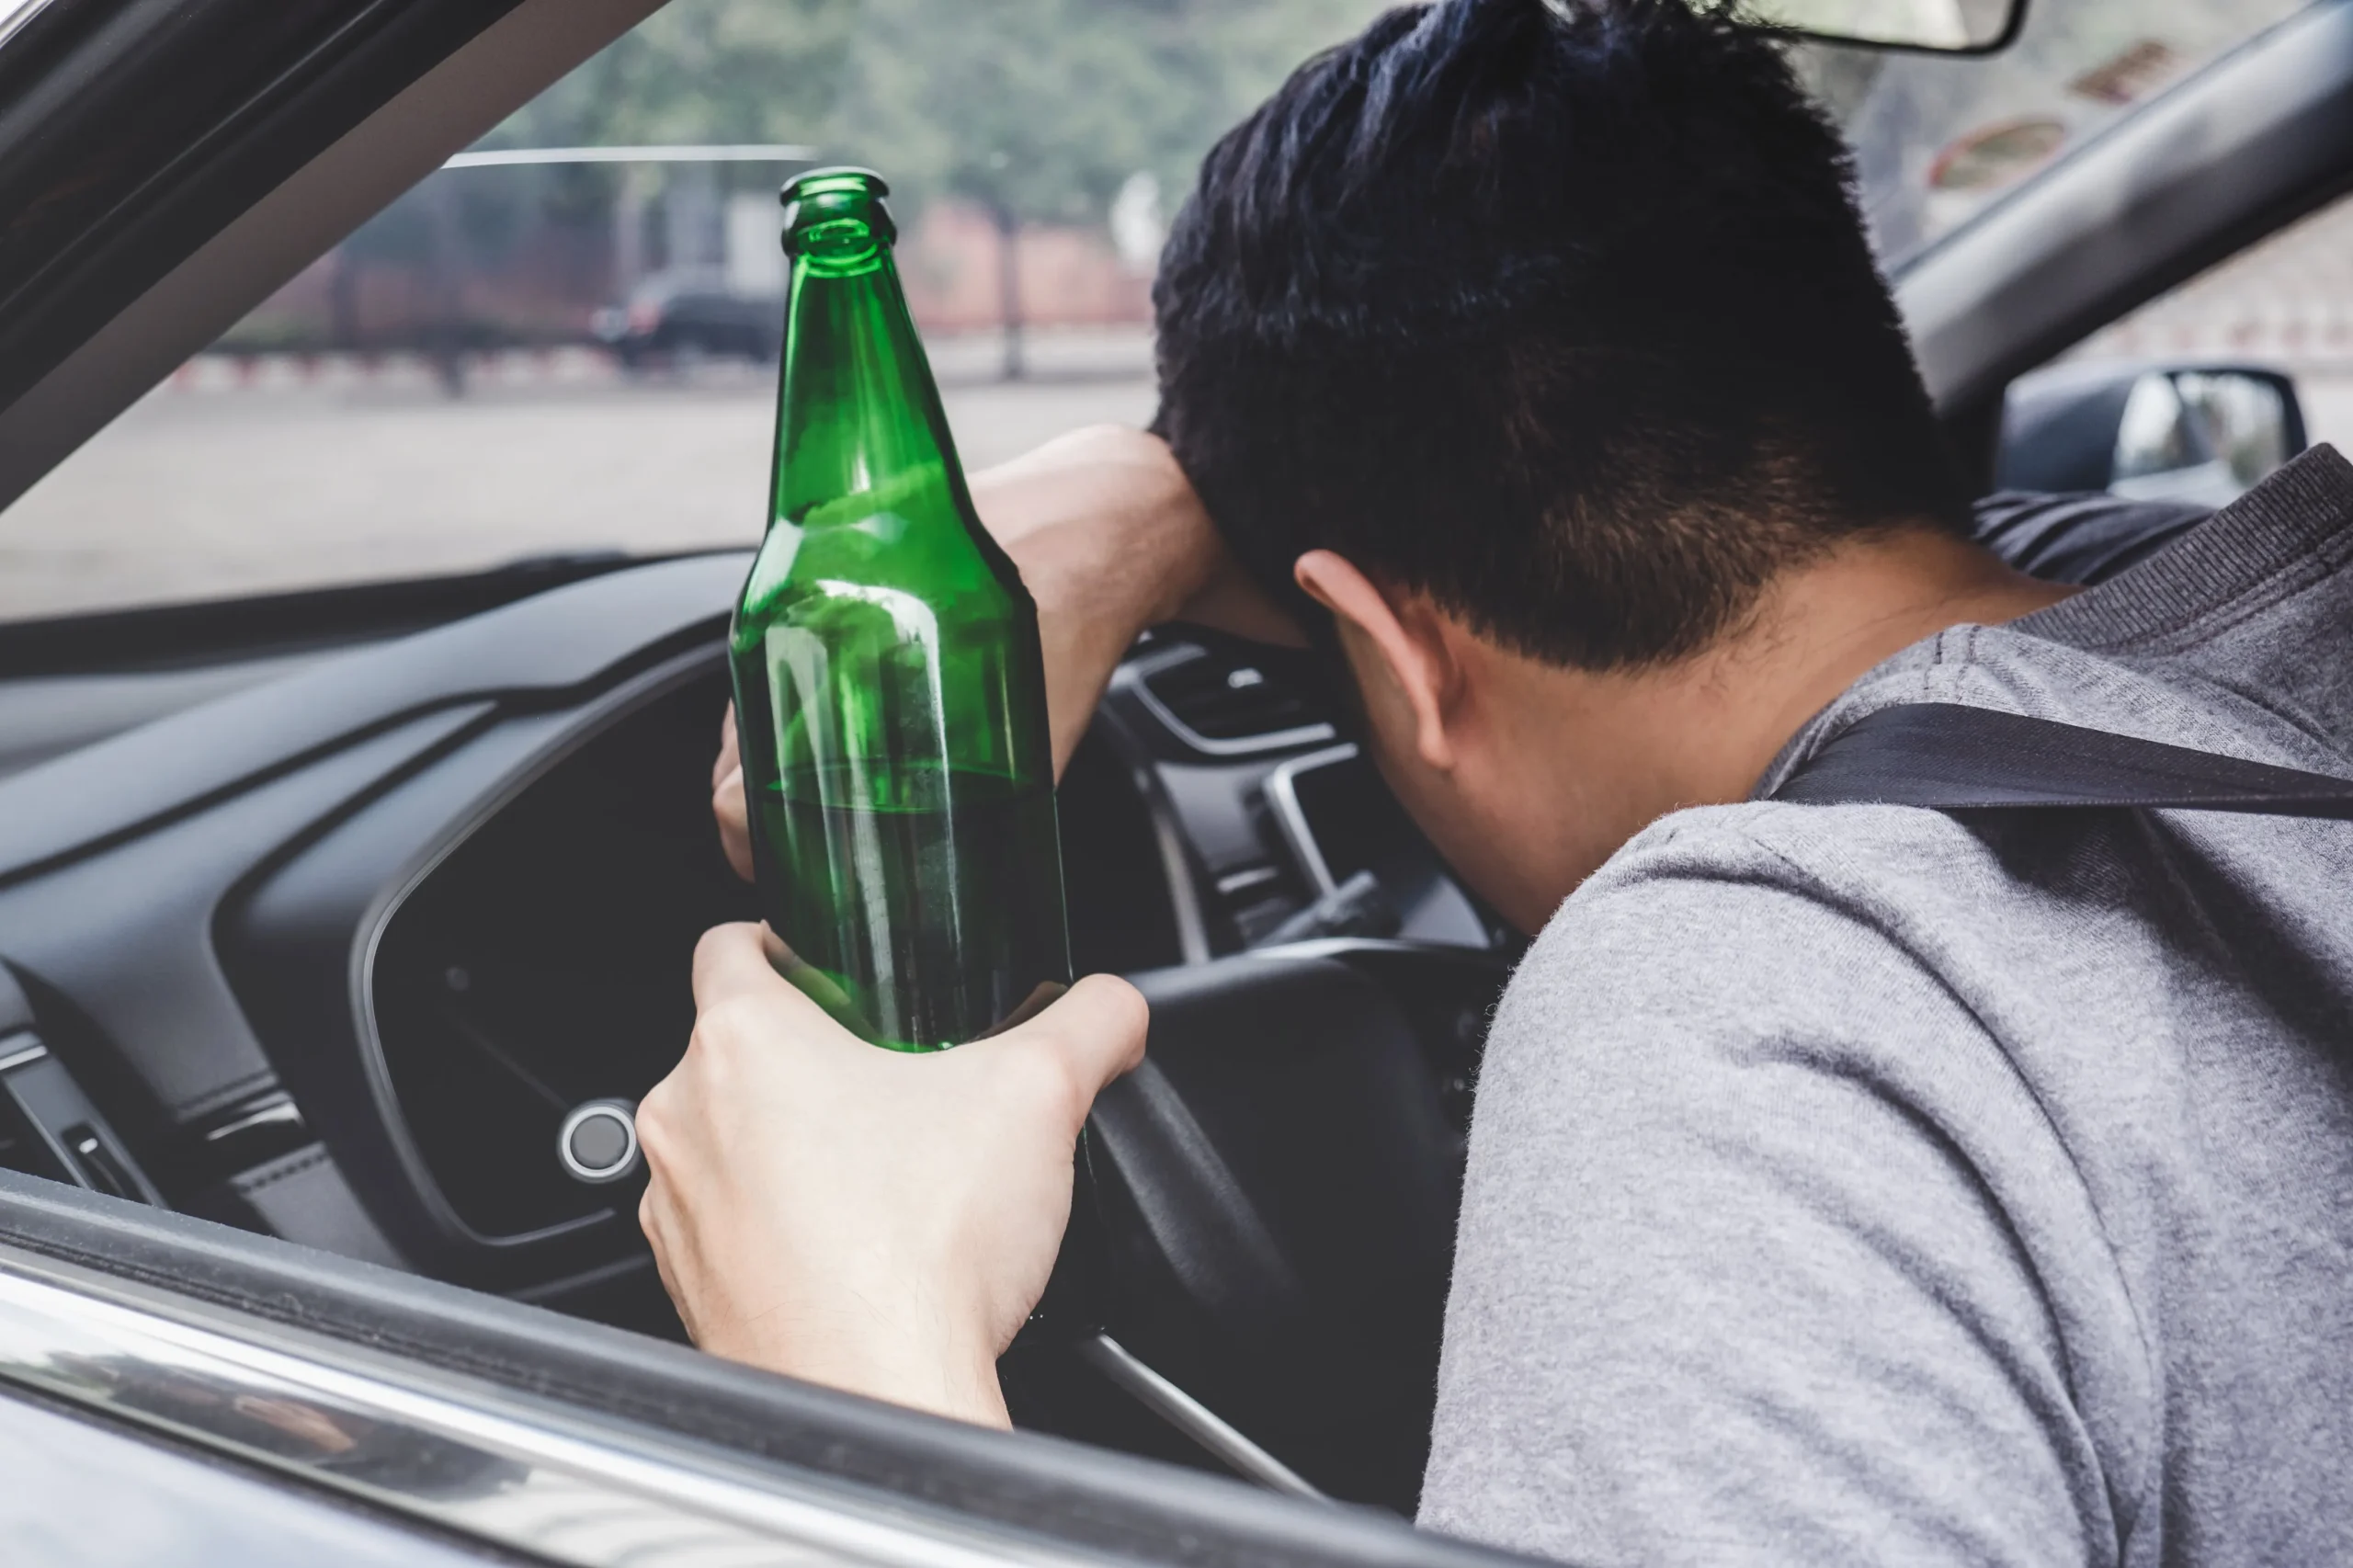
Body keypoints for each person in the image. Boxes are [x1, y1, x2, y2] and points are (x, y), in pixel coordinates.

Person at [635, 0, 2353, 1562]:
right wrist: (1147, 499)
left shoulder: (1754, 1004)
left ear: (1393, 650)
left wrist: (855, 1352)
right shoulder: (2259, 608)